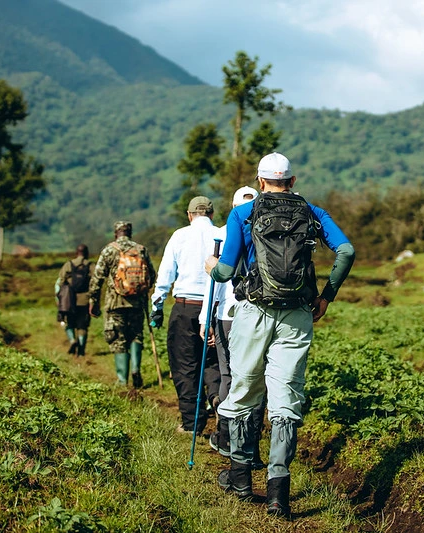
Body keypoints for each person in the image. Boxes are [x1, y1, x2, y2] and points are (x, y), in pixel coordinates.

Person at [205, 152, 355, 518]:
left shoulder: (243, 213)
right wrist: (326, 298)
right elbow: (346, 251)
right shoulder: (313, 213)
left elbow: (226, 271)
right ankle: (278, 493)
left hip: (254, 312)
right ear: (292, 181)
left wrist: (212, 267)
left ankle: (240, 477)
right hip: (298, 314)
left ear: (260, 182)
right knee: (286, 400)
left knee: (243, 390)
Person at [200, 186, 265, 467]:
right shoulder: (266, 231)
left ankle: (226, 436)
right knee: (257, 380)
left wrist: (206, 320)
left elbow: (214, 282)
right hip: (262, 312)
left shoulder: (226, 233)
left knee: (229, 376)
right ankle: (253, 447)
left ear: (233, 206)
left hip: (229, 313)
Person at [150, 196, 222, 434]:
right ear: (211, 215)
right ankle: (217, 399)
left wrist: (157, 306)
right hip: (215, 306)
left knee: (185, 365)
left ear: (190, 215)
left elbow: (166, 273)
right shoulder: (222, 235)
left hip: (186, 306)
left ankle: (193, 423)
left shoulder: (180, 235)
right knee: (214, 360)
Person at [89, 221, 156, 388]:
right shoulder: (141, 250)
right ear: (130, 232)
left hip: (115, 303)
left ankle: (122, 380)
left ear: (115, 233)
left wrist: (93, 300)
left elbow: (97, 277)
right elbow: (152, 275)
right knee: (136, 336)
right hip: (137, 303)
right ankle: (135, 369)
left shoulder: (109, 250)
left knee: (118, 339)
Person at [55, 244, 93, 356]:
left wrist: (60, 298)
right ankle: (81, 350)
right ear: (86, 253)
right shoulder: (90, 265)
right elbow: (96, 283)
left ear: (76, 253)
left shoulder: (68, 265)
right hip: (85, 300)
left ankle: (72, 340)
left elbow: (61, 281)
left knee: (69, 323)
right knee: (82, 326)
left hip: (69, 301)